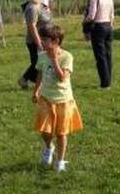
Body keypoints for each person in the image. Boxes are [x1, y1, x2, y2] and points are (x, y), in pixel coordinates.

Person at [32, 25, 83, 172]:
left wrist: (54, 59)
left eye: (45, 40)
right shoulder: (42, 56)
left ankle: (60, 161)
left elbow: (62, 78)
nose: (42, 42)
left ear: (56, 41)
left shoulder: (67, 57)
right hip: (46, 99)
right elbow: (40, 74)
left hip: (63, 101)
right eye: (42, 39)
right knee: (45, 131)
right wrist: (36, 91)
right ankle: (49, 147)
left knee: (61, 133)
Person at [83, 0, 114, 89]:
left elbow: (92, 15)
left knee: (100, 56)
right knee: (108, 54)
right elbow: (112, 14)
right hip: (108, 25)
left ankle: (105, 83)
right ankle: (108, 80)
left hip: (98, 27)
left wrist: (85, 21)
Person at [19, 0, 48, 90]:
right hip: (34, 41)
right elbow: (32, 26)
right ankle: (26, 79)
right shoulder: (32, 8)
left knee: (39, 62)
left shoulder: (39, 5)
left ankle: (26, 80)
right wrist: (39, 43)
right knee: (37, 63)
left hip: (44, 39)